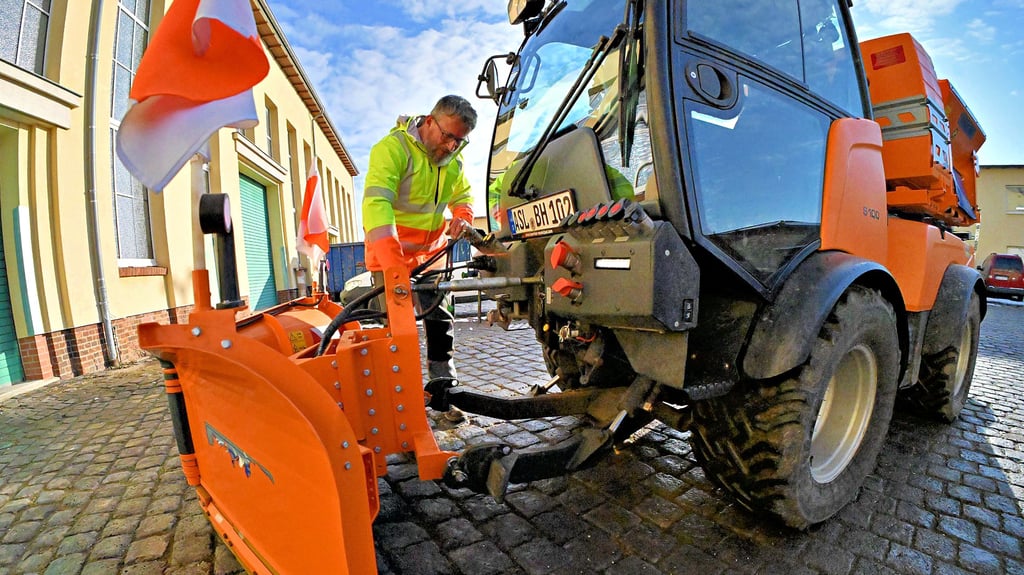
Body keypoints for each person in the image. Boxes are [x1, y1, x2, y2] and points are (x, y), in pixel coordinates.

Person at [362, 95, 477, 422]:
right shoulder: (392, 150)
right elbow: (376, 204)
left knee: (441, 325)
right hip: (390, 260)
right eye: (448, 136)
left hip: (431, 259)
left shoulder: (453, 162)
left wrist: (463, 216)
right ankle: (396, 408)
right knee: (395, 334)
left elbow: (463, 195)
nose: (452, 146)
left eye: (460, 140)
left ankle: (443, 396)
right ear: (429, 121)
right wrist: (392, 261)